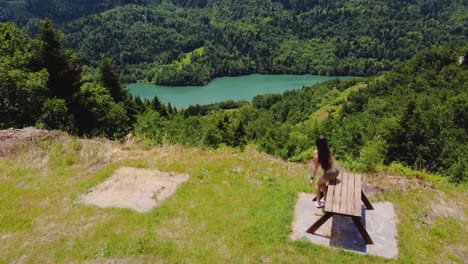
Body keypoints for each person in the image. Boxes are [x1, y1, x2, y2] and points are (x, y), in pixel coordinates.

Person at [309, 135, 341, 208]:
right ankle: (326, 200)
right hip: (336, 170)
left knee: (317, 183)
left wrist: (312, 179)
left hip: (330, 172)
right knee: (322, 182)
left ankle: (318, 202)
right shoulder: (327, 149)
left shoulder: (316, 153)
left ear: (317, 143)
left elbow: (316, 167)